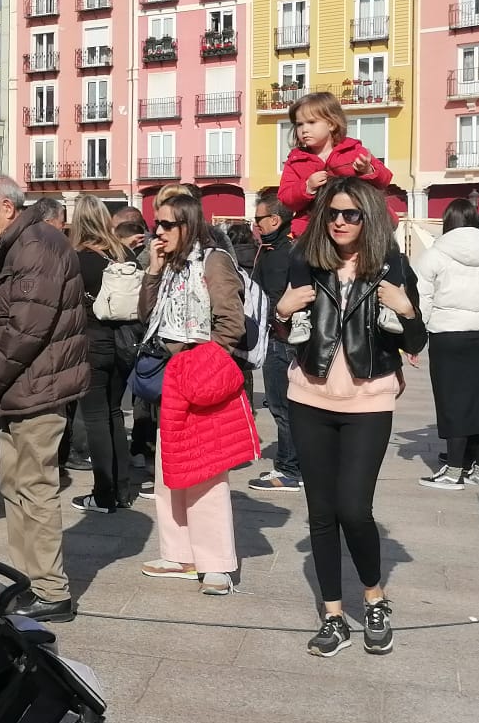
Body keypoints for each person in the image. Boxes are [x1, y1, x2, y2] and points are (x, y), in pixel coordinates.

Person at [275, 177, 424, 657]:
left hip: (369, 399)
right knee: (321, 512)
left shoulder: (391, 265)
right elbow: (288, 333)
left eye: (351, 214)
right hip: (309, 397)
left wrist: (406, 310)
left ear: (368, 218)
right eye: (333, 213)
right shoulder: (304, 259)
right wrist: (281, 311)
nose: (340, 221)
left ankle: (375, 597)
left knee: (354, 509)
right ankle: (334, 615)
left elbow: (416, 343)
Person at [0, 174, 90, 623]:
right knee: (17, 487)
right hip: (22, 386)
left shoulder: (36, 245)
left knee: (34, 489)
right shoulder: (21, 243)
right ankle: (29, 581)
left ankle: (50, 590)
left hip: (37, 389)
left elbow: (25, 330)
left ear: (7, 206)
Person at [137, 191, 251, 594]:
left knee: (205, 469)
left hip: (197, 371)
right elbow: (145, 315)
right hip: (170, 372)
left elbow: (231, 322)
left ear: (187, 224)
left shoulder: (214, 260)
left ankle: (216, 562)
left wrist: (206, 365)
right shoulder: (168, 262)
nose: (159, 232)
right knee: (169, 469)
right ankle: (179, 552)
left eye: (166, 224)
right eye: (156, 224)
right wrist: (152, 271)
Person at [415, 200, 479, 486]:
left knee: (453, 400)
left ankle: (454, 470)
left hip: (448, 333)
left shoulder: (434, 254)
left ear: (447, 221)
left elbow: (421, 298)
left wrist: (416, 336)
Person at [68, 194, 139, 514]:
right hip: (123, 343)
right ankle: (123, 489)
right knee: (113, 414)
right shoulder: (124, 253)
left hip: (90, 342)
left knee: (95, 418)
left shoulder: (75, 258)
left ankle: (104, 493)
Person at [247, 189, 304, 495]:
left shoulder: (283, 253)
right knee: (285, 406)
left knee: (283, 407)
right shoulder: (273, 249)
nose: (254, 224)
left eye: (258, 219)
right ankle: (293, 464)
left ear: (274, 219)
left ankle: (289, 469)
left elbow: (276, 297)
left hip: (281, 339)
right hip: (279, 337)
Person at [277, 90, 393, 234]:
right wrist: (307, 187)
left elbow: (385, 179)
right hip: (314, 230)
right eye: (299, 124)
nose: (304, 129)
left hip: (359, 227)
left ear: (331, 124)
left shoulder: (353, 151)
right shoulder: (295, 161)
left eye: (312, 122)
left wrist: (368, 171)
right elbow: (286, 199)